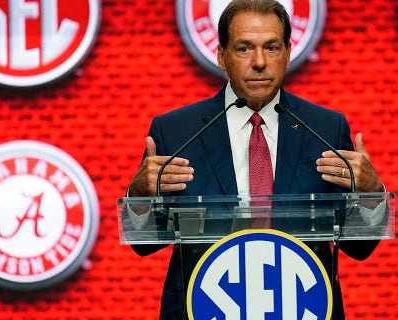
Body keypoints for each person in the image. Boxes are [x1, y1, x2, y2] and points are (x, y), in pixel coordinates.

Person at [128, 0, 385, 318]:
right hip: (204, 307)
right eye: (244, 48)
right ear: (222, 56)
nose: (260, 62)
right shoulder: (177, 131)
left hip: (303, 307)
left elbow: (359, 248)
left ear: (288, 53)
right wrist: (139, 197)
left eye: (272, 48)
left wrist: (372, 194)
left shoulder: (325, 128)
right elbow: (143, 244)